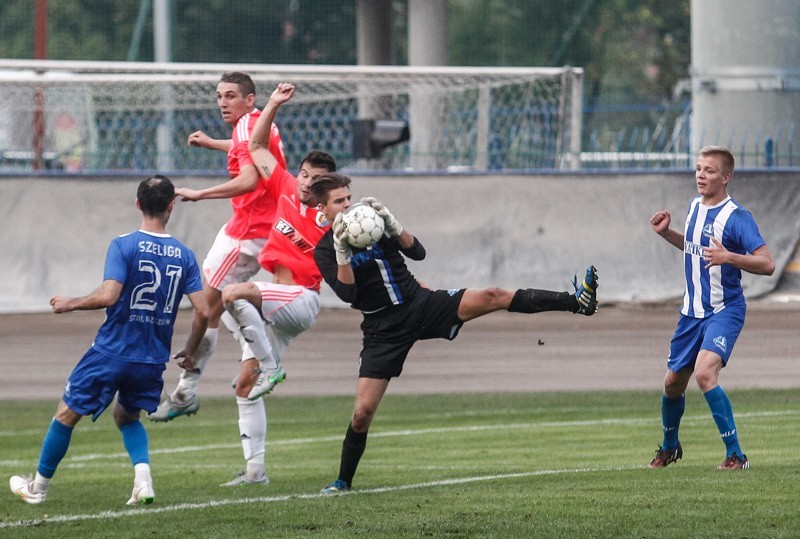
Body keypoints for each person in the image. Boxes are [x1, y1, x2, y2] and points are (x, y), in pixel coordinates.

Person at [310, 173, 599, 494]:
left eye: (349, 197)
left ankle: (577, 302)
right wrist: (341, 250)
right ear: (323, 209)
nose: (349, 205)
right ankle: (342, 482)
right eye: (339, 201)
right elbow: (348, 296)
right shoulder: (325, 249)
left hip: (421, 304)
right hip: (382, 330)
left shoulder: (372, 224)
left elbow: (418, 253)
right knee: (362, 413)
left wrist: (393, 224)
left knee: (493, 295)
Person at [9, 175, 210, 506]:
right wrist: (190, 350)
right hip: (151, 359)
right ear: (172, 205)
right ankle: (143, 481)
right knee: (126, 416)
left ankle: (38, 488)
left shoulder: (124, 244)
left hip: (111, 351)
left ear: (137, 204)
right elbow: (203, 311)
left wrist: (70, 302)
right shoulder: (184, 255)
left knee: (65, 415)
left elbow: (110, 295)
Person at [216, 83, 336, 486]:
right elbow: (256, 144)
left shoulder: (331, 219)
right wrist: (272, 104)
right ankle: (256, 471)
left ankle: (271, 365)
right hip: (276, 303)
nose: (305, 183)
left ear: (328, 189)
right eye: (304, 174)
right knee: (245, 386)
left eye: (316, 180)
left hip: (301, 300)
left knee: (231, 292)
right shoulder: (284, 185)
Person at [148, 72, 287, 422]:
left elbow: (249, 178)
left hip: (246, 234)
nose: (223, 102)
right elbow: (245, 151)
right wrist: (212, 143)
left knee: (206, 308)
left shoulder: (247, 127)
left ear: (250, 100)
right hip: (264, 227)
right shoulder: (258, 125)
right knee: (221, 306)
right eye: (219, 96)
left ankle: (186, 390)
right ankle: (248, 352)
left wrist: (201, 193)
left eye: (230, 96)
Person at [647, 145, 775, 470]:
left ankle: (736, 455)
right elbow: (695, 249)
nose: (701, 175)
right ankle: (669, 446)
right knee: (672, 383)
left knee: (704, 373)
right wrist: (667, 234)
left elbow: (767, 264)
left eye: (709, 171)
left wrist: (729, 257)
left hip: (724, 310)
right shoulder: (694, 206)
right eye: (699, 169)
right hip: (691, 313)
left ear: (726, 177)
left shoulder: (737, 218)